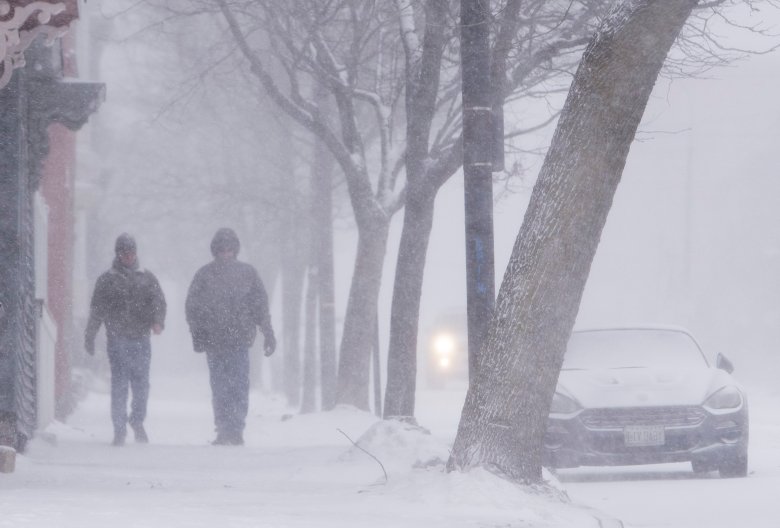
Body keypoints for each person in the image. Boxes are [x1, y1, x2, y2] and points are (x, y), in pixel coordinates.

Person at [185, 228, 276, 446]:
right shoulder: (204, 275)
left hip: (239, 340)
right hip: (215, 341)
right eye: (222, 249)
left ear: (235, 250)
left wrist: (268, 332)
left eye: (229, 249)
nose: (226, 253)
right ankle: (224, 428)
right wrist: (197, 332)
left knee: (238, 385)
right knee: (220, 387)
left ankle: (236, 428)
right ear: (216, 250)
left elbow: (260, 306)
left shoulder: (248, 273)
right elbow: (192, 307)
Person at [85, 234, 166, 446]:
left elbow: (159, 303)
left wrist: (158, 322)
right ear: (117, 254)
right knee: (120, 384)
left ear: (136, 253)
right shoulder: (107, 280)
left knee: (141, 385)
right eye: (123, 253)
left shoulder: (147, 278)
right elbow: (97, 310)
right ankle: (119, 428)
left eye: (130, 252)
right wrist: (90, 335)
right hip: (117, 339)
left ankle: (137, 420)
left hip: (141, 338)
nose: (127, 256)